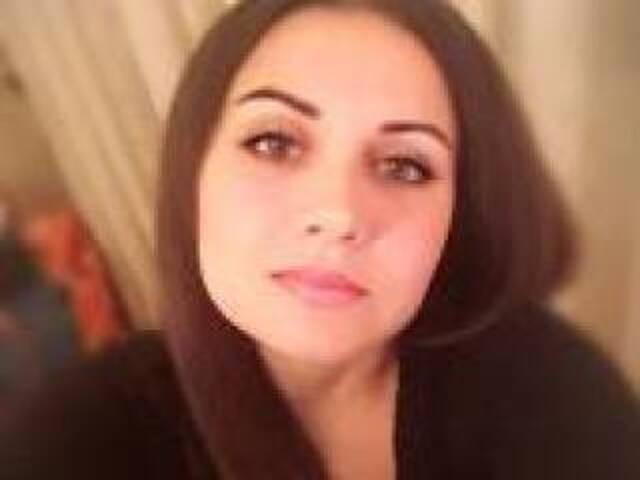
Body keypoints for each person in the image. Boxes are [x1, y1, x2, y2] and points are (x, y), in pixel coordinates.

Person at [2, 0, 639, 479]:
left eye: (404, 166)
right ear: (192, 171)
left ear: (460, 214)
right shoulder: (74, 441)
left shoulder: (552, 393)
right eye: (273, 142)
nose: (337, 214)